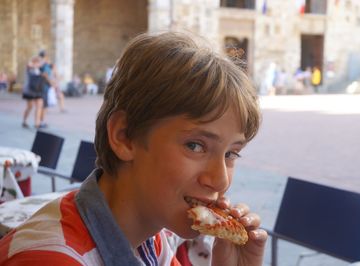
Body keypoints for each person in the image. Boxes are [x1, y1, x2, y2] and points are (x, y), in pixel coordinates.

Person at [0, 32, 267, 265]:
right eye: (195, 145)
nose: (220, 180)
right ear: (124, 136)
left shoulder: (152, 238)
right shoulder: (52, 259)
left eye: (231, 153)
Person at [21, 56, 44, 128]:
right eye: (38, 62)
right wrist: (33, 64)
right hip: (30, 91)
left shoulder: (39, 70)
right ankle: (24, 121)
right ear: (35, 62)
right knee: (30, 107)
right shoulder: (29, 68)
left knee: (39, 106)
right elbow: (28, 65)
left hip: (38, 90)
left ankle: (37, 123)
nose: (40, 64)